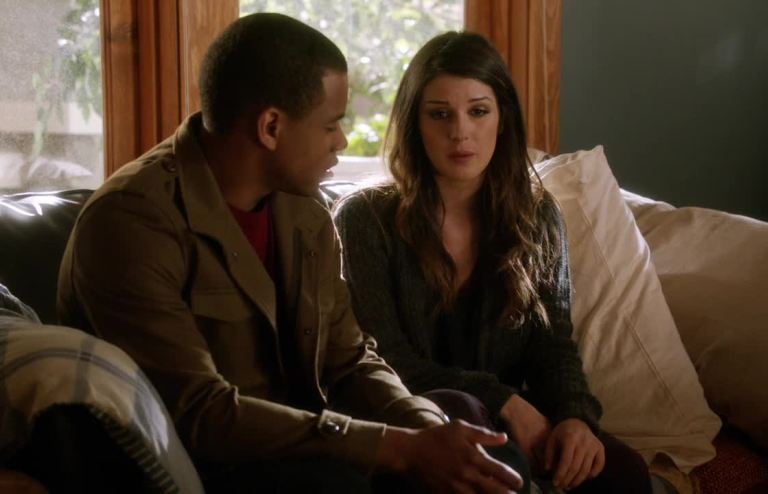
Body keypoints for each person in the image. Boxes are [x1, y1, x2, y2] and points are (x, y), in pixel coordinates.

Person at [57, 14, 525, 494]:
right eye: (331, 125)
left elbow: (349, 360)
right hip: (219, 463)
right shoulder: (133, 221)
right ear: (271, 126)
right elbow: (200, 414)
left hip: (315, 441)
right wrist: (395, 448)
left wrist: (428, 430)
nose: (342, 141)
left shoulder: (302, 207)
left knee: (477, 438)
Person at [333, 31, 653, 493]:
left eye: (478, 111)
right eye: (439, 114)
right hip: (410, 427)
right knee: (465, 416)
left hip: (504, 426)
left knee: (621, 471)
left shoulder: (537, 216)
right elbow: (382, 360)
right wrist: (504, 400)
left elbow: (553, 346)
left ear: (502, 119)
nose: (460, 132)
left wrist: (575, 417)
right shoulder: (364, 219)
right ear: (414, 123)